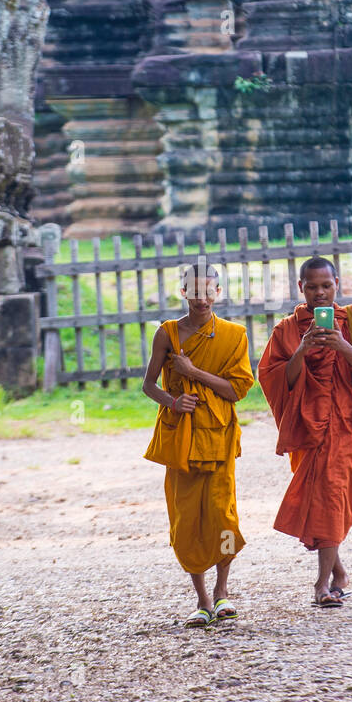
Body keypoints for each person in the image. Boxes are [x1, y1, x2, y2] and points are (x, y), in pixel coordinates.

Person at [257, 256, 352, 608]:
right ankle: (339, 573)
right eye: (311, 287)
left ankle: (322, 584)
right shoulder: (287, 330)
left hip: (342, 425)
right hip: (306, 428)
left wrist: (343, 346)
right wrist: (303, 349)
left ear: (337, 285)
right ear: (301, 288)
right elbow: (273, 378)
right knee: (320, 501)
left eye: (326, 286)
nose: (319, 293)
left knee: (330, 496)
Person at [142, 263, 255, 628]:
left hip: (218, 434)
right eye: (194, 291)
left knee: (223, 517)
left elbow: (236, 389)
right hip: (182, 438)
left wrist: (193, 374)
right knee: (186, 519)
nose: (201, 298)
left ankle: (222, 592)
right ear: (183, 293)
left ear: (217, 293)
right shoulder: (168, 334)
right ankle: (201, 598)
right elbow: (149, 386)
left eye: (208, 291)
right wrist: (173, 402)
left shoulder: (234, 335)